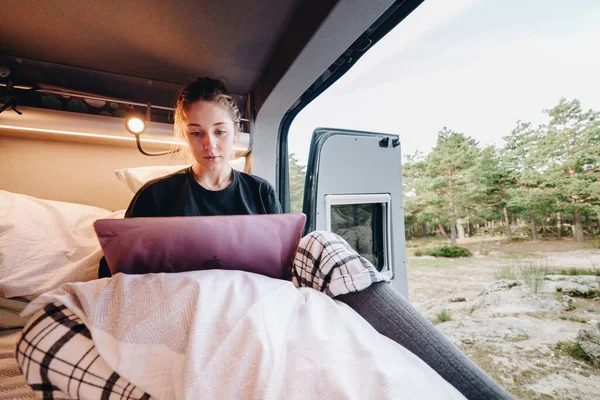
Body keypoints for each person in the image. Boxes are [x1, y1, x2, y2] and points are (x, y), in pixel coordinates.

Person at [99, 77, 512, 400]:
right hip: (186, 303)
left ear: (236, 131)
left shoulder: (260, 191)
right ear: (182, 134)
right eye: (196, 133)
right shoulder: (155, 195)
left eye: (220, 131)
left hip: (258, 298)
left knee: (318, 240)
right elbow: (114, 271)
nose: (210, 145)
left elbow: (283, 265)